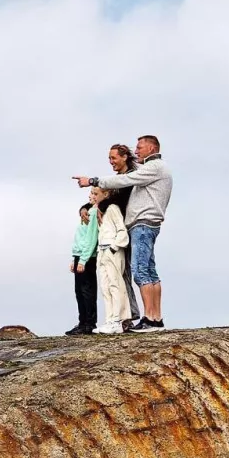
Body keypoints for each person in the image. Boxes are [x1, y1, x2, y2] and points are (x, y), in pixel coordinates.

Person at [74, 135, 172, 330]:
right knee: (150, 271)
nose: (137, 151)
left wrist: (93, 180)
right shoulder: (153, 168)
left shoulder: (152, 168)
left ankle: (150, 319)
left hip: (143, 224)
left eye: (140, 147)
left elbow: (125, 181)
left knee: (140, 271)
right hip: (144, 223)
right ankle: (154, 317)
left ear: (151, 149)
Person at [106, 144, 145, 326]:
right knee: (122, 273)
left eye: (113, 158)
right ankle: (129, 313)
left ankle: (133, 314)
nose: (111, 162)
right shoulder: (119, 178)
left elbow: (119, 201)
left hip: (128, 228)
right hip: (119, 228)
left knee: (131, 271)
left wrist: (103, 204)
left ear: (124, 157)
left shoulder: (131, 177)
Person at [90, 186, 131, 334]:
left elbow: (121, 229)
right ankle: (110, 319)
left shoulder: (112, 208)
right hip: (102, 250)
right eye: (92, 193)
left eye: (96, 193)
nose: (93, 196)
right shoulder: (100, 210)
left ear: (106, 194)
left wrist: (114, 247)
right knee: (105, 286)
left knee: (115, 284)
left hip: (112, 249)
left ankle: (118, 320)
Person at [66, 202, 98, 336]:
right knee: (79, 291)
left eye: (94, 194)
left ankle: (89, 324)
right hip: (80, 255)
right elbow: (80, 238)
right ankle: (82, 322)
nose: (91, 197)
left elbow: (91, 239)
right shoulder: (87, 211)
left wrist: (83, 259)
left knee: (87, 291)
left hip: (87, 256)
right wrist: (75, 257)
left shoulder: (94, 213)